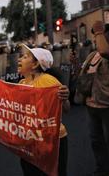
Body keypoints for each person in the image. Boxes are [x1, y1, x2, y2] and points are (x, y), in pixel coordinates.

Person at [17, 44, 70, 176]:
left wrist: (65, 98)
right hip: (30, 140)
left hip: (53, 140)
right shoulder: (21, 84)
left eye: (24, 57)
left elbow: (66, 109)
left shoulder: (49, 81)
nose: (19, 59)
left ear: (35, 65)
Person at [76, 21, 109, 176]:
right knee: (96, 141)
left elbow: (104, 51)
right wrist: (75, 63)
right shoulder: (93, 54)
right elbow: (83, 74)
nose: (97, 39)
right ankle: (102, 169)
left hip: (107, 106)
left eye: (101, 35)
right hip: (92, 105)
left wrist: (98, 30)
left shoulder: (105, 52)